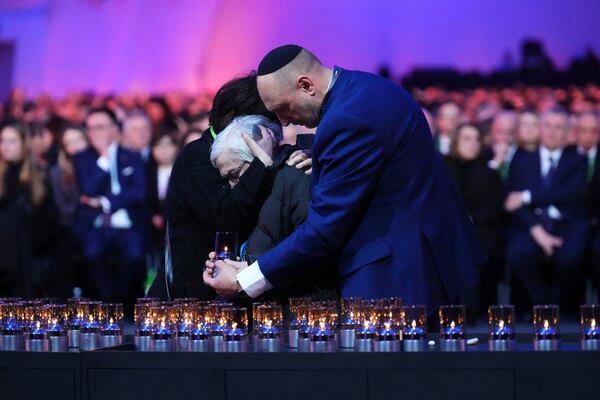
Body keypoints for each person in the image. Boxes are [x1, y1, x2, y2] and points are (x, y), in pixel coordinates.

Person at [204, 45, 485, 311]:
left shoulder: (346, 121)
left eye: (283, 108)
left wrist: (246, 279)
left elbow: (324, 229)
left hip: (396, 276)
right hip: (417, 259)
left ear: (306, 85)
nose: (285, 121)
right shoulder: (367, 88)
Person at [149, 73, 310, 299]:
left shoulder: (255, 156)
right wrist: (261, 165)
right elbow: (230, 216)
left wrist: (308, 155)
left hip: (239, 288)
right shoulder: (197, 155)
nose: (281, 124)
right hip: (193, 296)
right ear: (244, 124)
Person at [209, 115, 337, 300]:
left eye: (235, 174)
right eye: (226, 179)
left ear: (256, 154)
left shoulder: (296, 174)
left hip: (303, 312)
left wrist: (247, 272)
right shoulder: (256, 192)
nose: (232, 185)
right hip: (272, 307)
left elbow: (310, 252)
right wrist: (234, 267)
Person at [504, 108, 589, 307]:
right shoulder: (522, 158)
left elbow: (569, 194)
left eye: (558, 127)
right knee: (517, 253)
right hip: (531, 224)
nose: (551, 131)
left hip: (567, 223)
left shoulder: (578, 159)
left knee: (572, 256)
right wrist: (537, 231)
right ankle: (543, 303)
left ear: (567, 132)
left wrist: (527, 196)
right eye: (548, 126)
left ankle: (556, 300)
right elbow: (512, 202)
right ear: (541, 129)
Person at [73, 107, 147, 302]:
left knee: (134, 253)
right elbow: (88, 189)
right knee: (92, 252)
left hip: (126, 223)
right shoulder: (82, 158)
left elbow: (139, 192)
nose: (94, 132)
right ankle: (107, 304)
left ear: (114, 129)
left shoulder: (131, 156)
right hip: (95, 224)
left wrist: (106, 202)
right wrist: (104, 158)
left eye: (100, 127)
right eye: (90, 128)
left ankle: (119, 301)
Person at [443, 124, 505, 315]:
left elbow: (495, 207)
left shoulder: (489, 173)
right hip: (448, 227)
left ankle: (472, 311)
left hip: (481, 227)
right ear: (456, 142)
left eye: (476, 139)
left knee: (478, 245)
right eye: (466, 138)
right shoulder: (441, 168)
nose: (472, 144)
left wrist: (472, 218)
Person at [0, 123, 56, 297]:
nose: (5, 146)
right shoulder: (2, 175)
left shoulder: (39, 175)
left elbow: (48, 217)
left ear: (24, 144)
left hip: (28, 245)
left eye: (12, 141)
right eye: (2, 141)